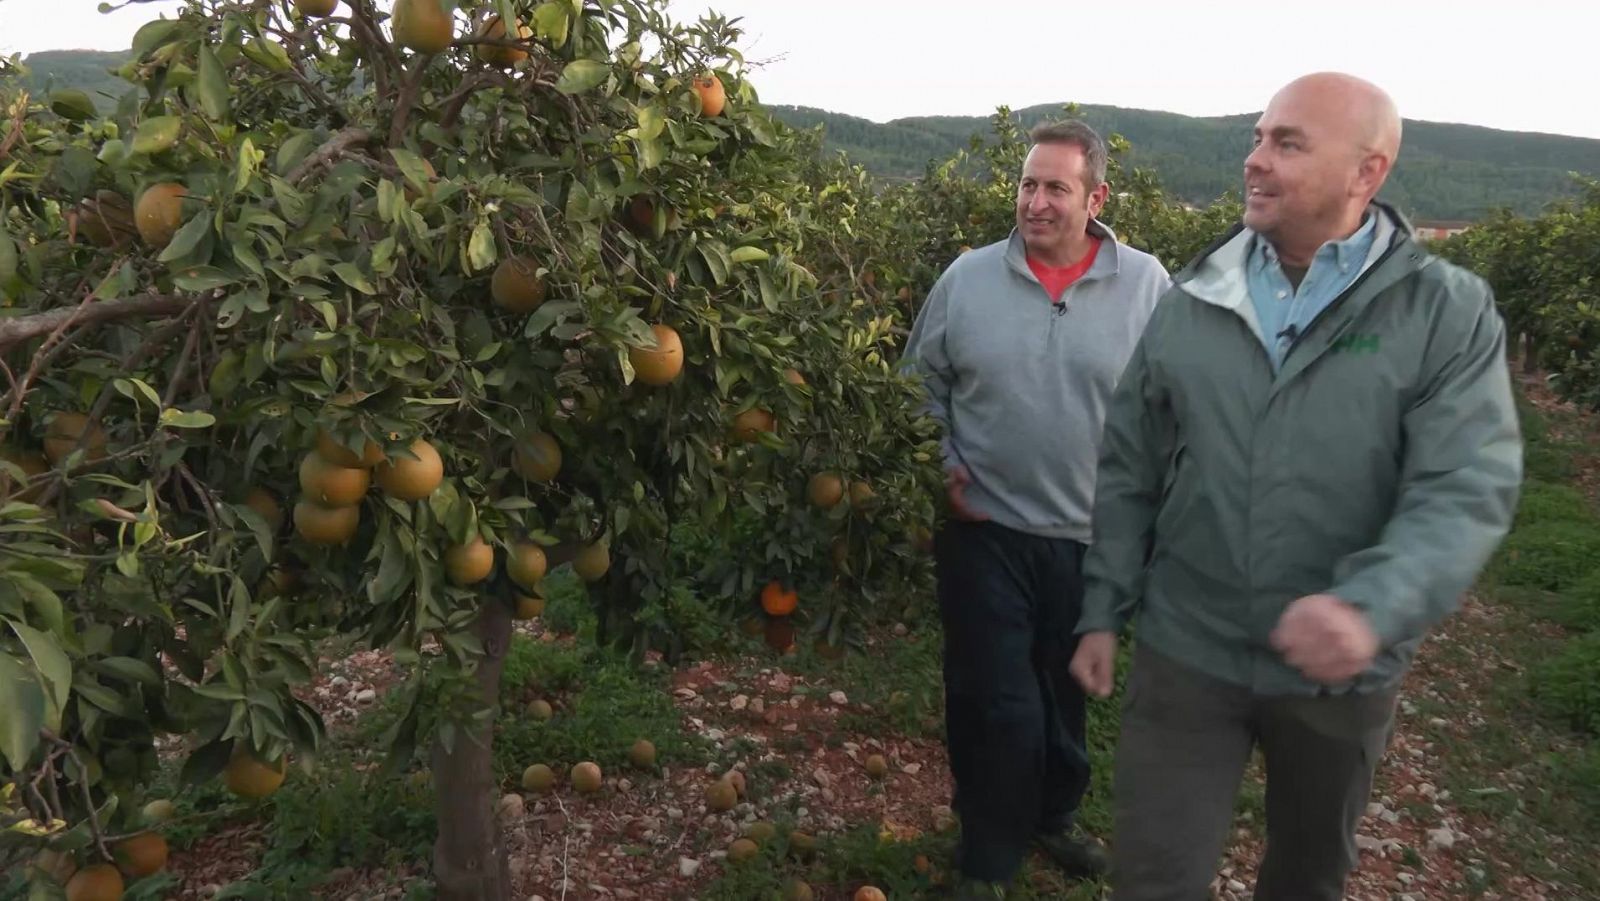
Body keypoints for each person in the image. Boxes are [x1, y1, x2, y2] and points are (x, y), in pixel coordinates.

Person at [1069, 72, 1523, 901]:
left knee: (1307, 874)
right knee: (1153, 874)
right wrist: (1104, 604)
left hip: (1338, 675)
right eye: (1256, 137)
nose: (1256, 161)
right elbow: (1130, 459)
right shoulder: (1199, 295)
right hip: (1188, 647)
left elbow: (1465, 483)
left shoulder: (1439, 311)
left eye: (1287, 143)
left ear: (1366, 173)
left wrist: (1371, 605)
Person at [902, 119, 1172, 898]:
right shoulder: (969, 279)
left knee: (1062, 697)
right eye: (1028, 183)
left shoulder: (1147, 286)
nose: (1036, 201)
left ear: (1097, 197)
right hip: (984, 528)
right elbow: (920, 386)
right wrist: (942, 463)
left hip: (1091, 538)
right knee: (994, 696)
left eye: (1057, 186)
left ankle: (1052, 814)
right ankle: (987, 855)